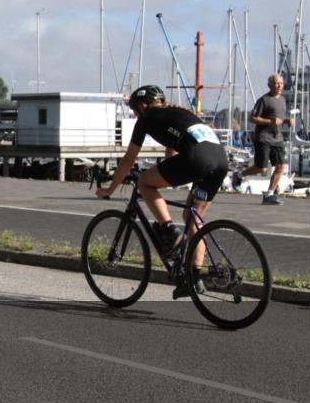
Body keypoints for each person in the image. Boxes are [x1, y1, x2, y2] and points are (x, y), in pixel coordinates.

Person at [95, 85, 229, 299]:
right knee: (193, 218)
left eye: (135, 110)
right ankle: (194, 277)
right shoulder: (181, 112)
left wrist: (110, 188)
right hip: (220, 160)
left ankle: (169, 231)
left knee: (144, 183)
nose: (136, 114)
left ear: (142, 106)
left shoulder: (147, 118)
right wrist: (168, 173)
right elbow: (172, 152)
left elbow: (129, 160)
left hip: (197, 159)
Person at [237, 74, 293, 205]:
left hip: (277, 138)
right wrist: (270, 121)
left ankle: (269, 195)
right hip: (263, 138)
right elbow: (253, 118)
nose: (279, 86)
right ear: (270, 85)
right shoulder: (264, 100)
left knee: (280, 167)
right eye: (276, 83)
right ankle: (239, 175)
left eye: (281, 83)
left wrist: (287, 121)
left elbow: (278, 119)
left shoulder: (283, 100)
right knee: (261, 169)